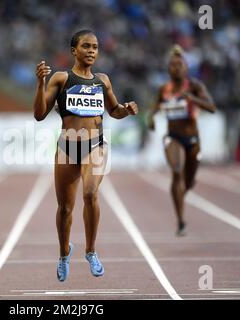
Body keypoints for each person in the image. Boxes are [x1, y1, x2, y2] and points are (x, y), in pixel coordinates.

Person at [33, 29, 139, 282]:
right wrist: (40, 84)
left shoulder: (103, 80)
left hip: (95, 145)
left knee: (90, 193)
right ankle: (63, 253)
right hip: (67, 148)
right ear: (74, 51)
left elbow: (114, 110)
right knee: (65, 209)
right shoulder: (61, 78)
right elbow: (39, 114)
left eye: (95, 47)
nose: (92, 51)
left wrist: (127, 109)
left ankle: (91, 251)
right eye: (86, 46)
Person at [148, 45, 216, 236]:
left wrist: (192, 98)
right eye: (172, 65)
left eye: (179, 65)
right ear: (168, 69)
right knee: (177, 171)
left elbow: (212, 107)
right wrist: (151, 118)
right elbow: (154, 107)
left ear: (186, 68)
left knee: (190, 181)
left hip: (193, 139)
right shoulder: (164, 88)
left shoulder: (194, 86)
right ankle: (181, 222)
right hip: (173, 137)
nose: (176, 69)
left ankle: (179, 195)